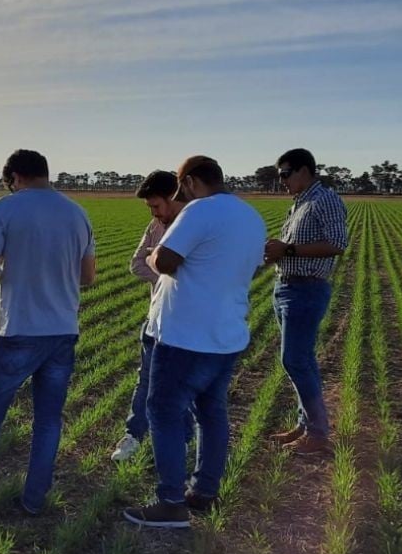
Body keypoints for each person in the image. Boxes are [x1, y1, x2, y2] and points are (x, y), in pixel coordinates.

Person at [124, 156, 265, 528]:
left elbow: (166, 261)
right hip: (227, 333)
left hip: (186, 335)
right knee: (211, 412)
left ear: (187, 183)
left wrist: (155, 254)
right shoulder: (252, 217)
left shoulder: (199, 211)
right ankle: (204, 491)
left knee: (163, 411)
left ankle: (170, 502)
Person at [0, 150, 95, 514]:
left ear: (16, 177)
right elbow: (88, 276)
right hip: (63, 331)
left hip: (16, 330)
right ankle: (34, 502)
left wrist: (4, 266)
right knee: (48, 421)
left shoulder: (6, 208)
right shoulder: (77, 213)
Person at [263, 148, 348, 455]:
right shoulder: (301, 202)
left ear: (304, 171)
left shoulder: (324, 199)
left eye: (285, 174)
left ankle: (317, 432)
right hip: (286, 287)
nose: (281, 181)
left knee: (294, 359)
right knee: (301, 360)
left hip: (305, 289)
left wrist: (286, 251)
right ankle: (305, 425)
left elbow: (337, 244)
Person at [110, 170, 186, 462]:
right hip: (155, 316)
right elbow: (136, 262)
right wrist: (164, 278)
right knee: (146, 380)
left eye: (156, 205)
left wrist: (173, 276)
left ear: (173, 198)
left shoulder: (194, 225)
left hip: (186, 321)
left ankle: (182, 443)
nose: (154, 213)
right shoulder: (156, 225)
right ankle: (134, 435)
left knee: (183, 385)